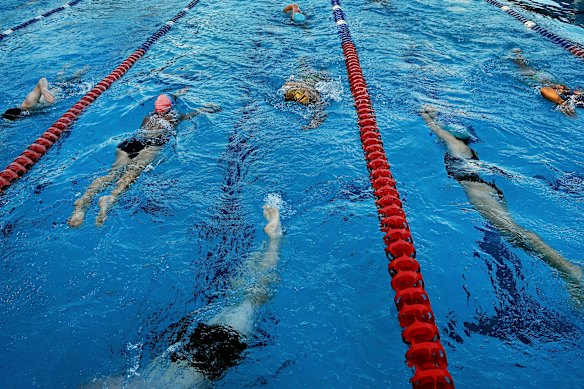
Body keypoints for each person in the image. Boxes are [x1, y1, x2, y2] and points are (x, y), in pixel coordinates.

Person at [84, 202, 283, 388]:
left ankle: (274, 242)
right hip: (183, 355)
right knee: (240, 299)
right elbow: (99, 384)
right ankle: (270, 243)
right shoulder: (134, 383)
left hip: (201, 366)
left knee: (251, 300)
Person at [420, 105, 583, 303]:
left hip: (479, 192)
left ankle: (570, 271)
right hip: (488, 189)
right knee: (513, 235)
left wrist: (428, 118)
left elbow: (437, 130)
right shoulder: (467, 149)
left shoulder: (456, 145)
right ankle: (567, 270)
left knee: (515, 233)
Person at [69, 94, 220, 227]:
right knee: (130, 176)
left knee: (111, 174)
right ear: (170, 109)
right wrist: (206, 108)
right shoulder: (174, 118)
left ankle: (83, 201)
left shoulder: (147, 118)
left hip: (129, 144)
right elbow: (191, 115)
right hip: (151, 147)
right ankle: (110, 198)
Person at [513, 49, 583, 116]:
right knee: (527, 70)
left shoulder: (577, 98)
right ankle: (516, 57)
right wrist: (561, 102)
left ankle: (518, 57)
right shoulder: (574, 97)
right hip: (541, 83)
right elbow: (544, 90)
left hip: (550, 83)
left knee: (534, 72)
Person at [281, 65, 331, 129]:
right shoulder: (297, 88)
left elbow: (321, 115)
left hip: (319, 79)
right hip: (308, 79)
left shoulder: (317, 99)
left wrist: (312, 126)